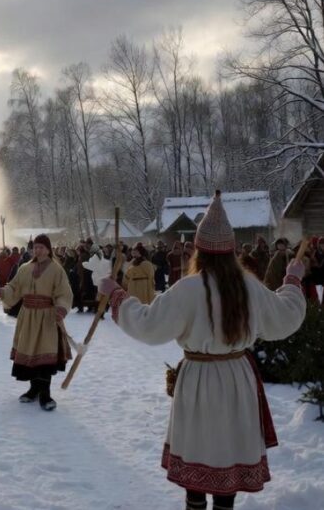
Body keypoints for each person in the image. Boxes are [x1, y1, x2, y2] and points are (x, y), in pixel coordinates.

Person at [99, 191, 306, 510]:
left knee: (197, 461)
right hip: (237, 380)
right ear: (231, 251)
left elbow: (148, 325)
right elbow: (285, 316)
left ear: (200, 251)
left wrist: (117, 295)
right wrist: (292, 279)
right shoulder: (248, 286)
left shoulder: (189, 288)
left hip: (198, 382)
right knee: (227, 458)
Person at [0, 234, 72, 411]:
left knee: (45, 353)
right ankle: (33, 389)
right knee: (30, 353)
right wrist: (1, 292)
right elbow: (14, 287)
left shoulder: (56, 269)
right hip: (28, 317)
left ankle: (45, 393)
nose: (38, 250)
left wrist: (61, 308)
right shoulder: (25, 268)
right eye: (36, 247)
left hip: (47, 318)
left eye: (42, 247)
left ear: (48, 249)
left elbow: (64, 292)